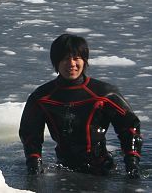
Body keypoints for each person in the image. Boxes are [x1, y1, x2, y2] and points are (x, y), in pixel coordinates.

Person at [18, 34, 142, 178]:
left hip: (102, 171)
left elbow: (130, 127)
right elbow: (30, 134)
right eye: (65, 59)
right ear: (56, 62)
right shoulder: (42, 97)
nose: (71, 64)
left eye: (76, 58)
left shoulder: (104, 94)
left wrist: (132, 163)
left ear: (84, 61)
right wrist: (34, 164)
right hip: (63, 170)